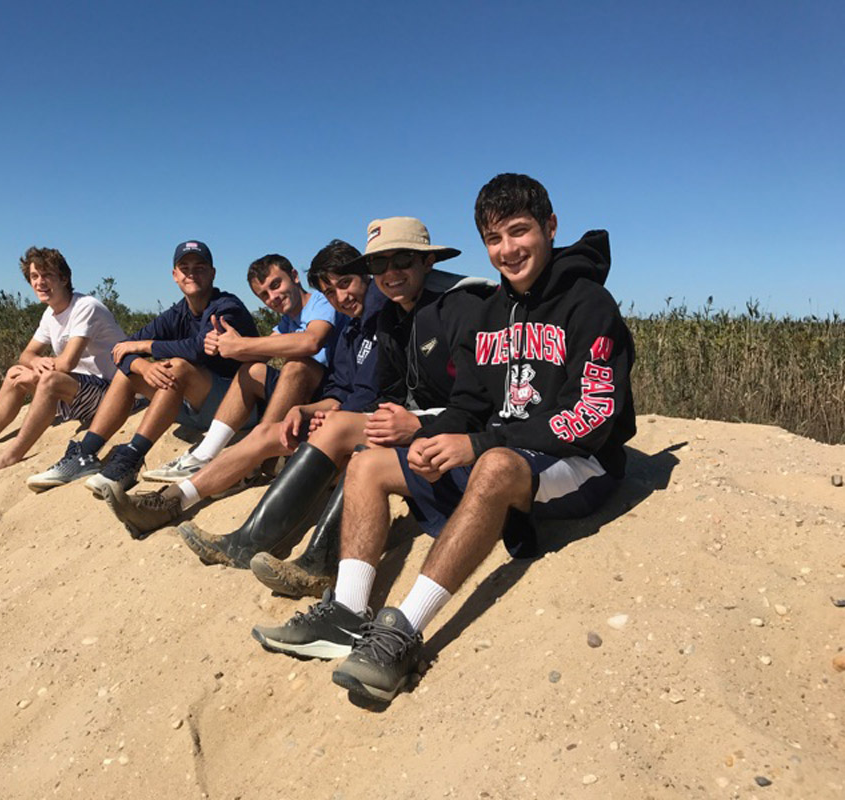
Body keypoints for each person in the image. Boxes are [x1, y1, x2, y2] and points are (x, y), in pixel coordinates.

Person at [252, 174, 637, 705]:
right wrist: (434, 434)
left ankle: (402, 632)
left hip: (578, 463)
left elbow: (592, 416)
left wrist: (477, 445)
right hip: (500, 451)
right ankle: (346, 610)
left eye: (519, 232)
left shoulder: (590, 305)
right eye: (494, 239)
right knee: (369, 464)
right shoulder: (492, 311)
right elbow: (474, 403)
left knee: (496, 464)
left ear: (550, 227)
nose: (508, 250)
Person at [177, 217, 494, 587]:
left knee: (345, 431)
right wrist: (315, 410)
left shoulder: (454, 307)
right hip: (408, 420)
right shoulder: (386, 318)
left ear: (427, 261)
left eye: (401, 261)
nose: (389, 274)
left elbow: (480, 400)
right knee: (319, 427)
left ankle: (315, 560)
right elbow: (379, 391)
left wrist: (410, 422)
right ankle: (254, 540)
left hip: (458, 434)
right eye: (379, 265)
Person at [102, 239, 385, 539]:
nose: (273, 297)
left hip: (337, 405)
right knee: (252, 370)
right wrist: (224, 346)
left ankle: (247, 464)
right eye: (264, 294)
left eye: (277, 285)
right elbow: (264, 352)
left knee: (297, 365)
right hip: (327, 401)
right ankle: (195, 470)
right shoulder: (297, 323)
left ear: (294, 276)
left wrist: (241, 345)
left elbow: (310, 343)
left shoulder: (321, 304)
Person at [25, 240, 258, 492]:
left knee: (177, 367)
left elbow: (199, 348)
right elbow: (122, 348)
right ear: (175, 275)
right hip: (196, 410)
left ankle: (131, 457)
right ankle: (86, 454)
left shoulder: (226, 307)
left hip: (237, 410)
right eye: (185, 267)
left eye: (199, 267)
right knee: (130, 374)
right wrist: (143, 367)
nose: (192, 273)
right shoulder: (178, 312)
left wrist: (148, 347)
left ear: (212, 273)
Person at [0, 246, 125, 477]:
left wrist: (40, 370)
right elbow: (27, 355)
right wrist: (36, 362)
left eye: (47, 275)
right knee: (15, 372)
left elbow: (66, 364)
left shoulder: (85, 307)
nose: (40, 282)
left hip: (116, 394)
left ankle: (10, 455)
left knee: (49, 380)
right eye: (34, 276)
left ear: (64, 278)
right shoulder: (50, 314)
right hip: (81, 391)